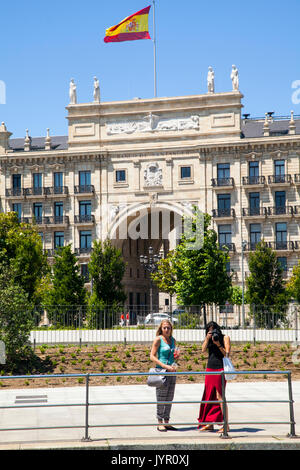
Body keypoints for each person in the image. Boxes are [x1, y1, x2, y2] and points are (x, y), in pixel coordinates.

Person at [198, 321, 231, 433]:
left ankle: (226, 424)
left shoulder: (225, 337)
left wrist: (218, 344)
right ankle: (210, 423)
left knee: (220, 396)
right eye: (210, 330)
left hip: (220, 369)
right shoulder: (209, 338)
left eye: (214, 329)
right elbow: (202, 350)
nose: (212, 332)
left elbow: (227, 354)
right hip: (210, 369)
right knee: (209, 395)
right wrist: (207, 339)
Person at [150, 319, 179, 432]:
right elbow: (152, 356)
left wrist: (177, 356)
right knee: (161, 397)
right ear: (161, 329)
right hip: (161, 371)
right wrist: (165, 366)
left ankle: (167, 422)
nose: (167, 330)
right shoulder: (158, 339)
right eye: (164, 328)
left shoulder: (173, 340)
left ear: (171, 329)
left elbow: (174, 356)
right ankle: (160, 422)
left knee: (169, 397)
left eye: (168, 328)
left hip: (172, 371)